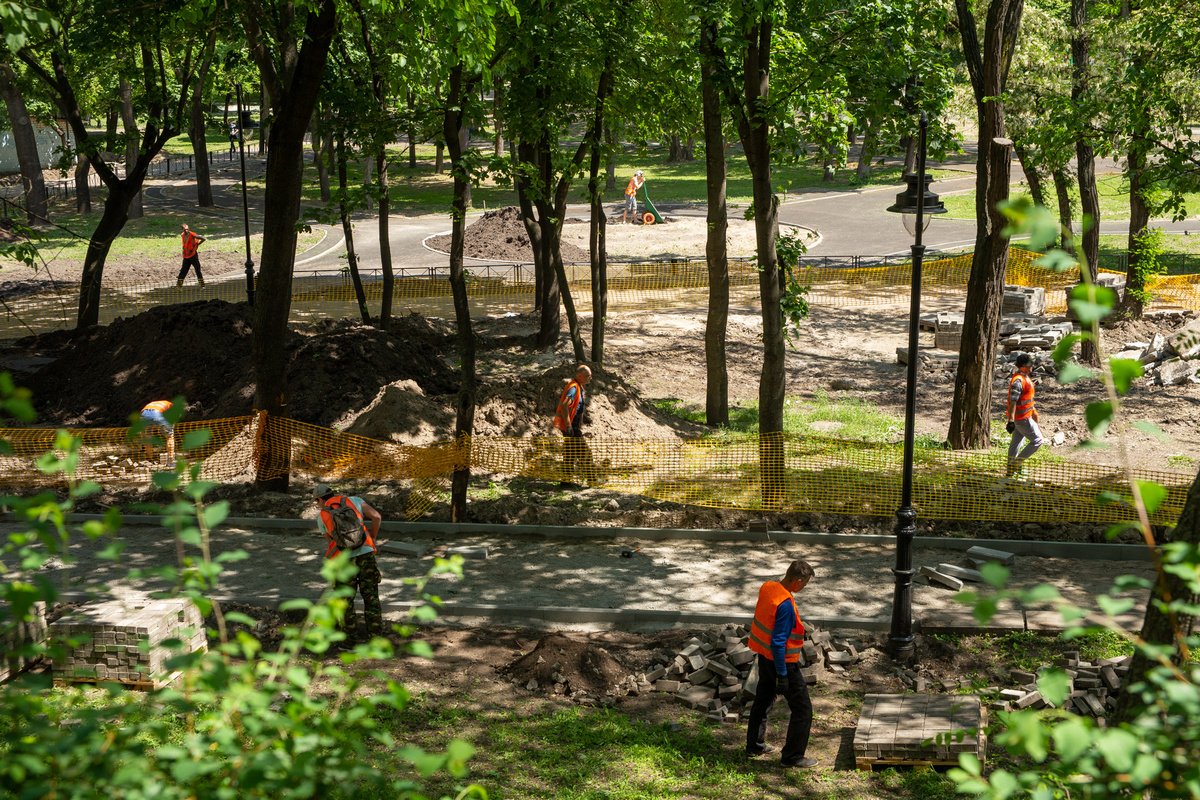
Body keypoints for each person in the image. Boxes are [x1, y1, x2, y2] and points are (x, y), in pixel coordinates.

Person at [745, 558, 817, 769]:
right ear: (797, 581)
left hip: (764, 657)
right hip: (783, 663)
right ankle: (792, 757)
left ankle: (754, 746)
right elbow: (778, 643)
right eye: (805, 583)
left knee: (763, 700)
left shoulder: (768, 588)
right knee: (803, 710)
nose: (804, 587)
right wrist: (783, 675)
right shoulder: (785, 605)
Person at [314, 484, 385, 641]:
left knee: (345, 600)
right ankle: (375, 636)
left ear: (320, 500)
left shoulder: (322, 517)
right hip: (366, 554)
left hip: (343, 560)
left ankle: (350, 638)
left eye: (316, 501)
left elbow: (331, 542)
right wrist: (372, 537)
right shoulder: (354, 500)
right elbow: (377, 517)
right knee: (371, 596)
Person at [552, 364, 593, 487]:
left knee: (570, 454)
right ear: (580, 376)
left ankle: (566, 482)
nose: (590, 378)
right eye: (588, 376)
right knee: (585, 454)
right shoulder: (573, 388)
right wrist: (569, 425)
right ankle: (592, 480)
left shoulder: (577, 386)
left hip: (572, 427)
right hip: (572, 428)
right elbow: (565, 405)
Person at [1005, 352, 1044, 478]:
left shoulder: (1023, 377)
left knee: (1016, 443)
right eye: (1029, 365)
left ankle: (1010, 471)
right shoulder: (1018, 381)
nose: (1031, 366)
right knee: (1038, 440)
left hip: (1022, 417)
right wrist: (1011, 421)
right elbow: (1013, 401)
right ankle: (1015, 465)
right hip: (1022, 419)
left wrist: (1033, 384)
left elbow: (1024, 394)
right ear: (1022, 367)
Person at [178, 223, 206, 288]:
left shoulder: (192, 234)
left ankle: (202, 285)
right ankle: (179, 286)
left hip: (193, 256)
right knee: (183, 271)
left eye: (187, 229)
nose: (186, 231)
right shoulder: (182, 235)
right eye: (184, 229)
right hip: (186, 256)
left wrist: (197, 244)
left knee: (198, 270)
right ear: (182, 230)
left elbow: (203, 238)